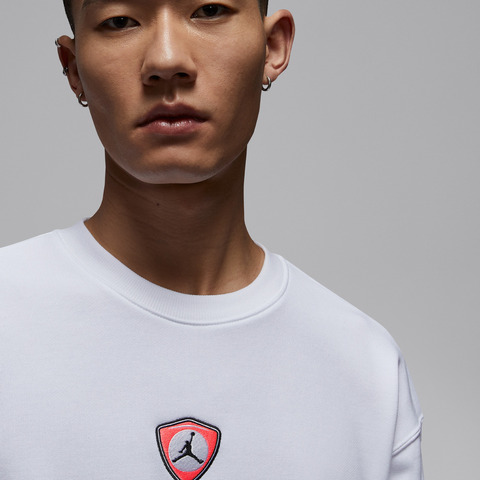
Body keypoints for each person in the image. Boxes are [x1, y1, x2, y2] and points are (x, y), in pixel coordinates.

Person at [0, 0, 424, 479]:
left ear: (272, 46)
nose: (166, 60)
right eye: (120, 21)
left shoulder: (365, 370)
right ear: (74, 68)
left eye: (208, 10)